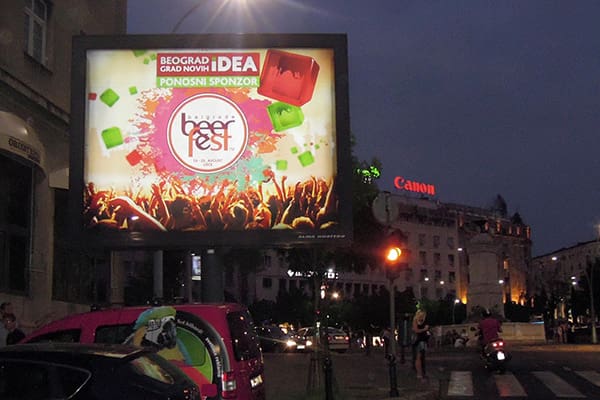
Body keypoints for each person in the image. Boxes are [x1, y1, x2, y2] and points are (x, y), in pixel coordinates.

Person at [412, 310, 429, 381]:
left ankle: (421, 372)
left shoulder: (423, 321)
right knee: (418, 357)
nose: (422, 317)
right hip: (419, 340)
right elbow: (416, 330)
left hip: (423, 340)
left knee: (422, 357)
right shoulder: (415, 321)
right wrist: (424, 329)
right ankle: (419, 373)